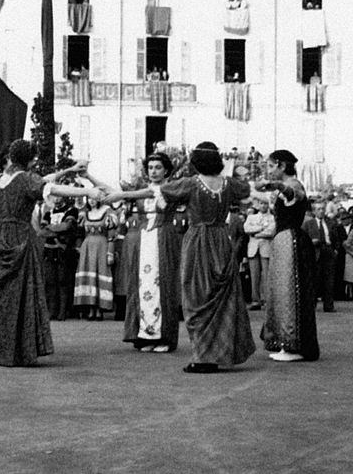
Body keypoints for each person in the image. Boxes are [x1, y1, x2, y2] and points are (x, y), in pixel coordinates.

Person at [107, 142, 256, 373]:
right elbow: (251, 194)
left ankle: (203, 357)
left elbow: (156, 194)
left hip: (198, 241)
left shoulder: (190, 183)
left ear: (196, 162)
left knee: (196, 298)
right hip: (221, 241)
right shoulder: (229, 184)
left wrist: (122, 194)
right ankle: (220, 352)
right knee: (222, 297)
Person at [0, 139, 98, 367]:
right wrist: (88, 190)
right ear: (31, 160)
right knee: (23, 293)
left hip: (0, 235)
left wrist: (70, 170)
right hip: (21, 237)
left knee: (2, 294)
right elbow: (52, 187)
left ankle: (2, 348)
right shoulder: (27, 179)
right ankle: (21, 349)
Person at [251, 150, 319, 362]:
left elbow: (294, 194)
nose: (269, 171)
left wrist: (275, 186)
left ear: (281, 166)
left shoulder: (294, 184)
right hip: (282, 241)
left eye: (271, 166)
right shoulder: (283, 188)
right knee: (281, 292)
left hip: (291, 241)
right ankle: (285, 342)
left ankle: (294, 344)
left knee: (291, 292)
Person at [119, 152, 183, 353]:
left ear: (166, 170)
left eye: (158, 167)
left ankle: (164, 337)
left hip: (163, 238)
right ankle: (145, 335)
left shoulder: (172, 188)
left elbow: (165, 205)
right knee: (142, 284)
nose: (153, 171)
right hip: (144, 240)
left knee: (163, 284)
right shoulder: (142, 190)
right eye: (151, 167)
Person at [72, 196, 118, 321]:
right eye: (90, 198)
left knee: (100, 274)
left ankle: (99, 310)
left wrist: (110, 253)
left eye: (94, 198)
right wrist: (79, 248)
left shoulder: (107, 212)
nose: (92, 201)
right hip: (87, 247)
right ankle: (91, 309)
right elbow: (79, 233)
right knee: (89, 275)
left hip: (102, 246)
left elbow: (111, 236)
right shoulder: (85, 214)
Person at [303, 199, 339, 313]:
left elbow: (336, 239)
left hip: (328, 251)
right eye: (319, 209)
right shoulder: (308, 224)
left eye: (323, 209)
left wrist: (335, 250)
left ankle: (329, 305)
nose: (321, 211)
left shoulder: (331, 223)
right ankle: (311, 305)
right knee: (314, 280)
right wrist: (311, 242)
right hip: (315, 252)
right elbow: (302, 240)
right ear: (314, 211)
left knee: (329, 280)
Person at [243, 198, 275, 311]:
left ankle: (266, 300)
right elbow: (246, 229)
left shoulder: (272, 218)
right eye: (261, 203)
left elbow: (271, 231)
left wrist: (256, 234)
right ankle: (255, 300)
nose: (263, 206)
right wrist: (261, 228)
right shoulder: (251, 217)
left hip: (266, 248)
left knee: (266, 275)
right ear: (258, 205)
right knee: (254, 275)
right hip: (253, 249)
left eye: (266, 203)